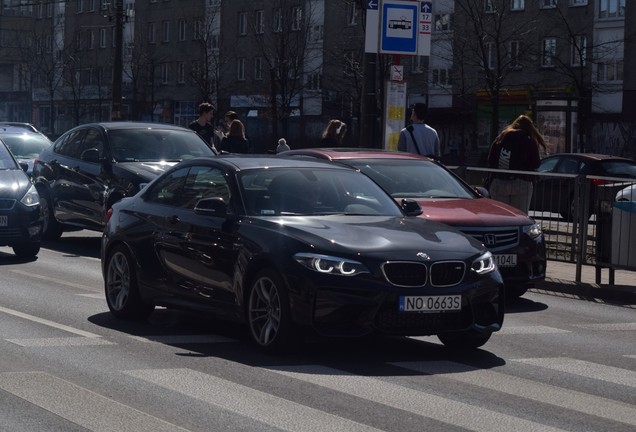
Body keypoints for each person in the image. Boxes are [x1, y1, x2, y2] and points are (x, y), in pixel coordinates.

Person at [486, 114, 547, 214]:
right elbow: (536, 163)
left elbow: (490, 160)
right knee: (520, 216)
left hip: (499, 181)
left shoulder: (501, 138)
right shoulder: (529, 140)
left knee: (500, 216)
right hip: (522, 182)